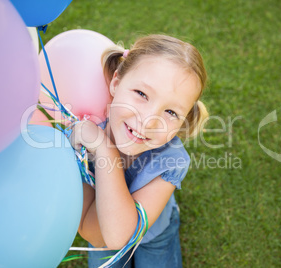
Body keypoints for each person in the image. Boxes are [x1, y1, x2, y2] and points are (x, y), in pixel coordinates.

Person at [69, 34, 208, 267]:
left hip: (155, 233)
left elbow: (119, 235)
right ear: (116, 82)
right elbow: (97, 234)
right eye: (142, 94)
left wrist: (106, 150)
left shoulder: (171, 160)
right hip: (105, 235)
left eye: (171, 112)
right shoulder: (81, 134)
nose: (148, 121)